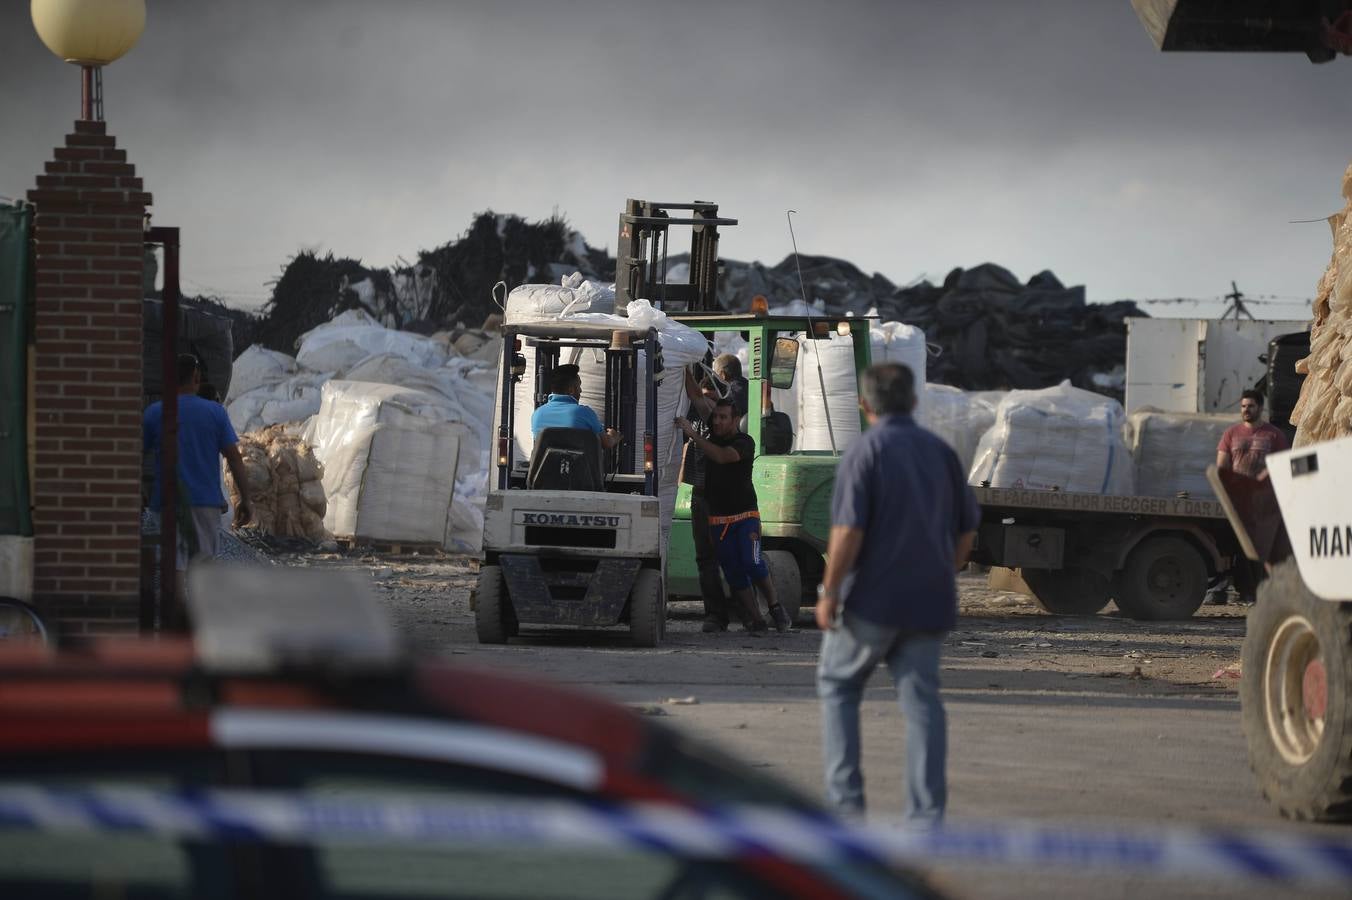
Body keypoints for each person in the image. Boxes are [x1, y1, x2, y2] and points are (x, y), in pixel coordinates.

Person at [814, 362, 979, 824]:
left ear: (864, 406)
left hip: (873, 599)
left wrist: (829, 591)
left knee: (839, 685)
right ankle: (927, 819)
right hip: (929, 599)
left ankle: (847, 812)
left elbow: (847, 531)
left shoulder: (864, 452)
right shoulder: (942, 452)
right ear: (913, 402)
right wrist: (940, 568)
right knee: (922, 701)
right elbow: (967, 535)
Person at [675, 399, 792, 635]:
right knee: (733, 572)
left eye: (723, 417)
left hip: (745, 515)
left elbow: (722, 457)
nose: (717, 421)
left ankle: (775, 607)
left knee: (752, 562)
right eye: (715, 417)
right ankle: (757, 620)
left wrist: (693, 436)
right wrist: (686, 369)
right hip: (718, 520)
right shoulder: (713, 435)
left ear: (735, 420)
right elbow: (698, 397)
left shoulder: (744, 442)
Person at [143, 354, 253, 603]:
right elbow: (234, 458)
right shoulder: (215, 413)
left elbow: (138, 454)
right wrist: (246, 499)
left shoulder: (155, 413)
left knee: (176, 563)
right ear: (196, 377)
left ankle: (178, 623)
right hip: (205, 502)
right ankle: (199, 622)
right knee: (202, 566)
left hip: (167, 501)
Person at [680, 360, 750, 632]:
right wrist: (681, 365)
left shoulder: (735, 437)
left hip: (727, 502)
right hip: (702, 497)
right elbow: (695, 394)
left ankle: (746, 613)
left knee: (733, 557)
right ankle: (716, 615)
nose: (710, 409)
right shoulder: (709, 419)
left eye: (714, 401)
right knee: (706, 559)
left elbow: (698, 396)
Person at [1211, 388, 1289, 604]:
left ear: (1260, 408)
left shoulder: (1274, 435)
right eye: (1243, 406)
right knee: (1235, 548)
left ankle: (1259, 594)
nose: (1246, 410)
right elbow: (1222, 466)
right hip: (1237, 501)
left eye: (1251, 406)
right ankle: (1237, 591)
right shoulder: (1231, 434)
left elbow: (1283, 464)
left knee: (1260, 550)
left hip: (1264, 502)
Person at [530, 364, 623, 450]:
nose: (581, 390)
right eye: (579, 386)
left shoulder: (537, 414)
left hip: (546, 468)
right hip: (578, 467)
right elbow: (606, 443)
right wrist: (613, 436)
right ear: (571, 390)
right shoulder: (584, 413)